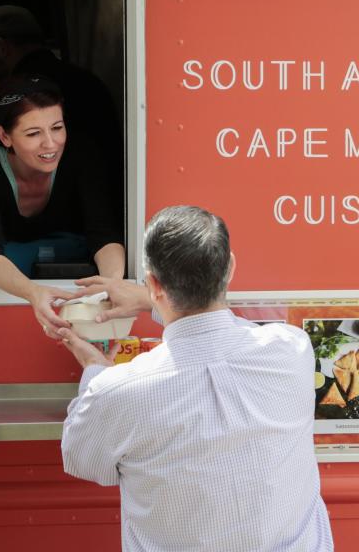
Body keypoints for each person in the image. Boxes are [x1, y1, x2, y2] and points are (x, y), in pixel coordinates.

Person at [58, 206, 333, 552]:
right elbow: (212, 335)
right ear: (230, 267)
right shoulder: (292, 350)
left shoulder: (115, 391)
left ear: (154, 282)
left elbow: (84, 461)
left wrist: (94, 370)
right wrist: (150, 300)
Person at [0, 76, 124, 336]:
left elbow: (104, 233)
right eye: (34, 133)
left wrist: (112, 284)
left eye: (57, 127)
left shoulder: (82, 154)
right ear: (4, 135)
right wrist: (33, 292)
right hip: (0, 289)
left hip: (69, 270)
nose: (51, 143)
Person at [0, 4, 123, 202]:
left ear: (1, 47)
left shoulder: (13, 95)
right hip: (106, 206)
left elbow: (1, 171)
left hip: (54, 216)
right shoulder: (87, 81)